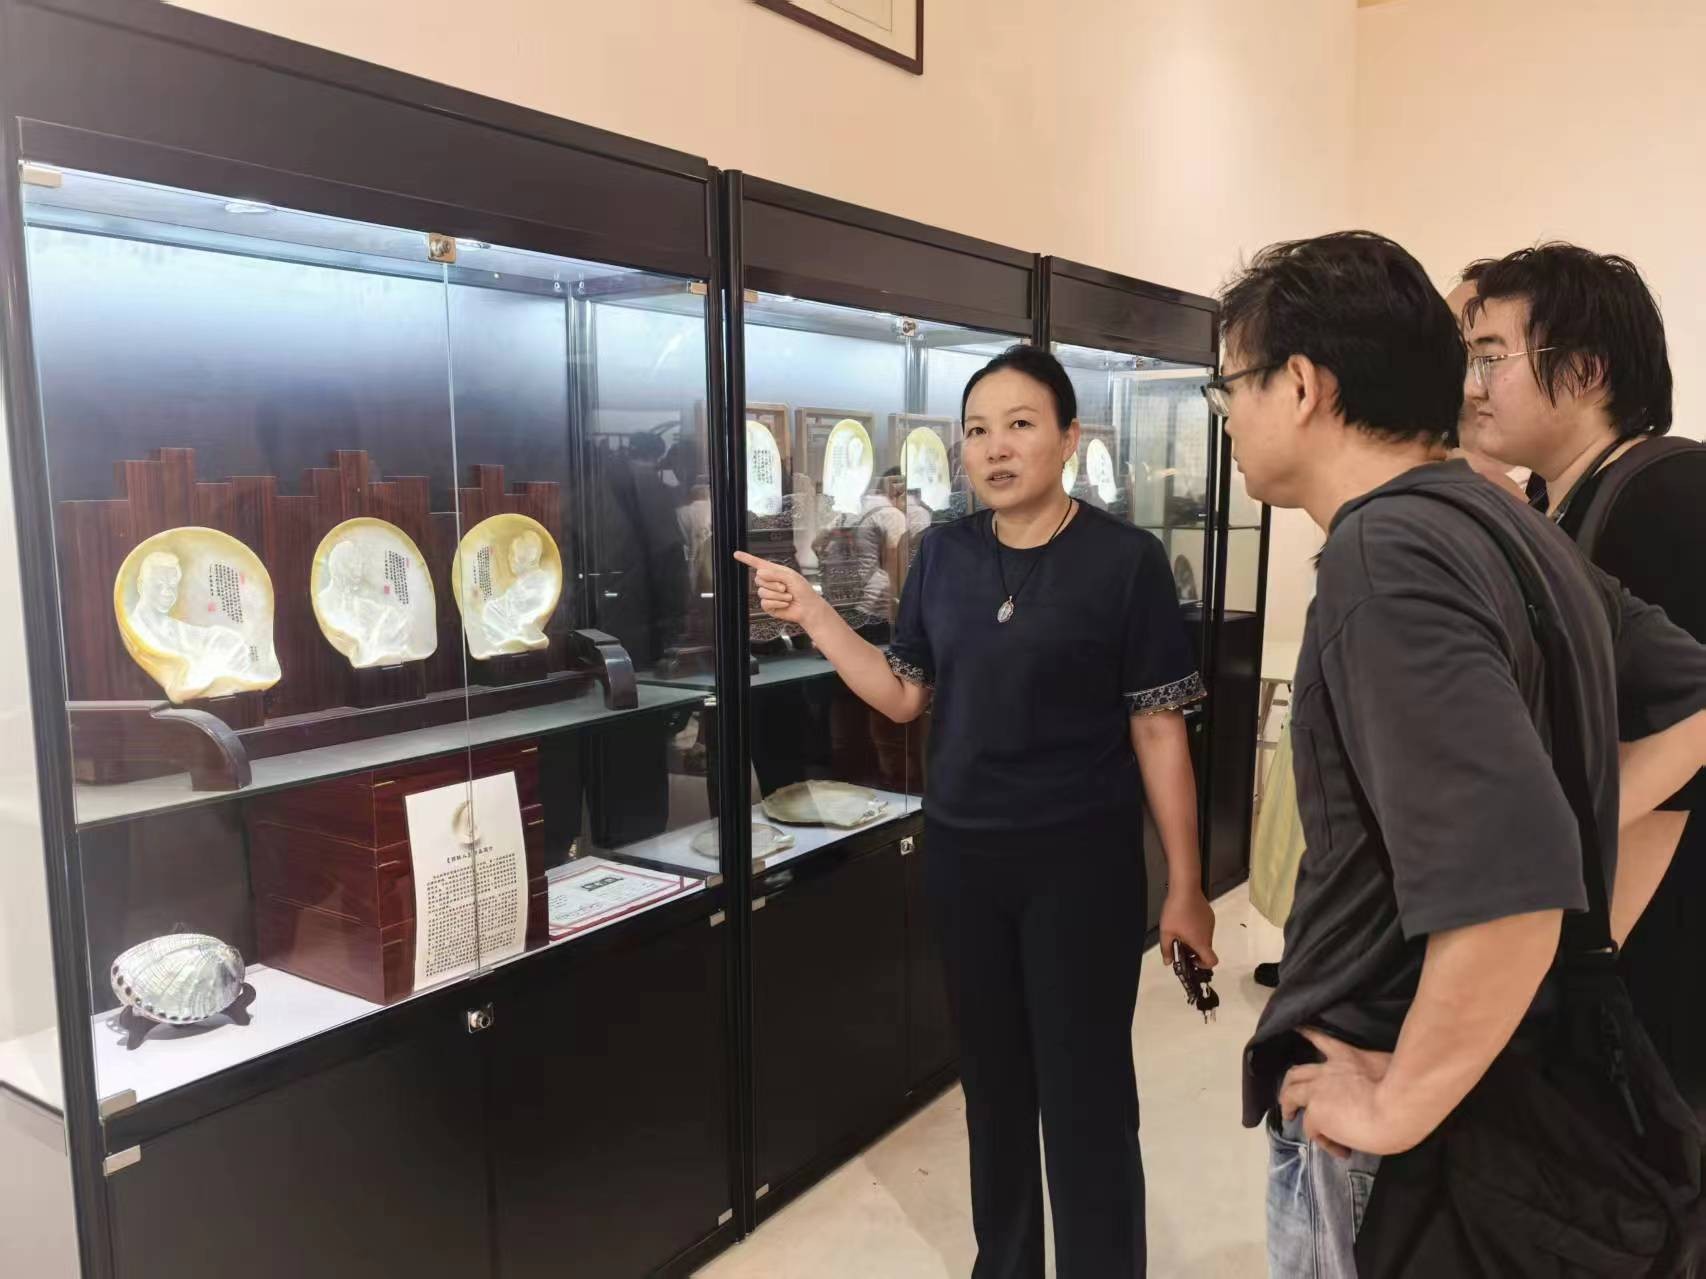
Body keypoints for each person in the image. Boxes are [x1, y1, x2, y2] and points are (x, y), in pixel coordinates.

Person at [1216, 232, 1706, 1276]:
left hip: (1400, 1114)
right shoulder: (1508, 523)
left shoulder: (1384, 552)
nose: (1226, 415)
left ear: (1299, 385)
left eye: (1230, 384)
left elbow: (1509, 876)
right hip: (1514, 1074)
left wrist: (1397, 1102)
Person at [738, 344, 1214, 1278]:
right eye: (977, 430)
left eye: (1021, 424)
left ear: (1069, 437)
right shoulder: (944, 554)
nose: (996, 447)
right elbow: (903, 694)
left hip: (1082, 868)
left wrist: (1186, 886)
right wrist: (816, 617)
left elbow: (1160, 731)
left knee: (1086, 1096)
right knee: (993, 1092)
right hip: (964, 861)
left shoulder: (1126, 561)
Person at [1459, 244, 1706, 1112]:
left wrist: (1580, 981)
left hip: (1662, 963)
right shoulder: (1557, 501)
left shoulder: (1669, 496)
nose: (1472, 385)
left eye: (1491, 356)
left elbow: (1681, 758)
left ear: (1587, 370)